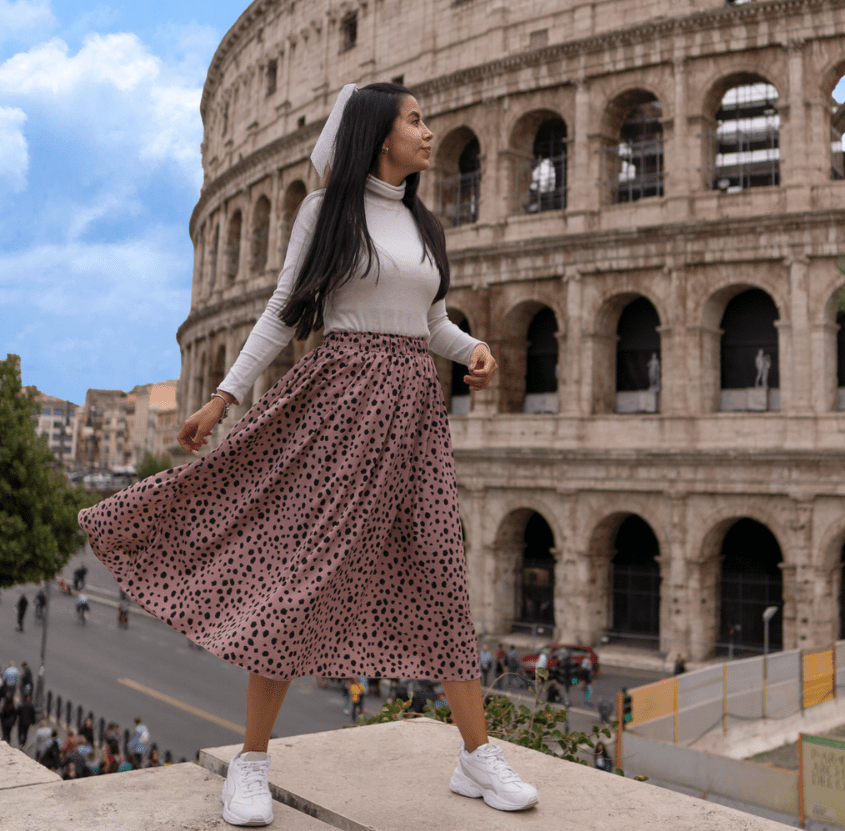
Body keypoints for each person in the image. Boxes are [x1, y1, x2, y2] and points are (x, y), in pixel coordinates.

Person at [78, 83, 540, 824]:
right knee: (301, 576)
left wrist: (477, 347)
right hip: (341, 403)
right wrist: (224, 396)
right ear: (376, 132)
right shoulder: (326, 212)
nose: (429, 132)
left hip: (415, 413)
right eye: (415, 120)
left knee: (440, 570)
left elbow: (429, 323)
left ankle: (475, 757)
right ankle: (251, 764)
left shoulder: (425, 222)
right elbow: (284, 312)